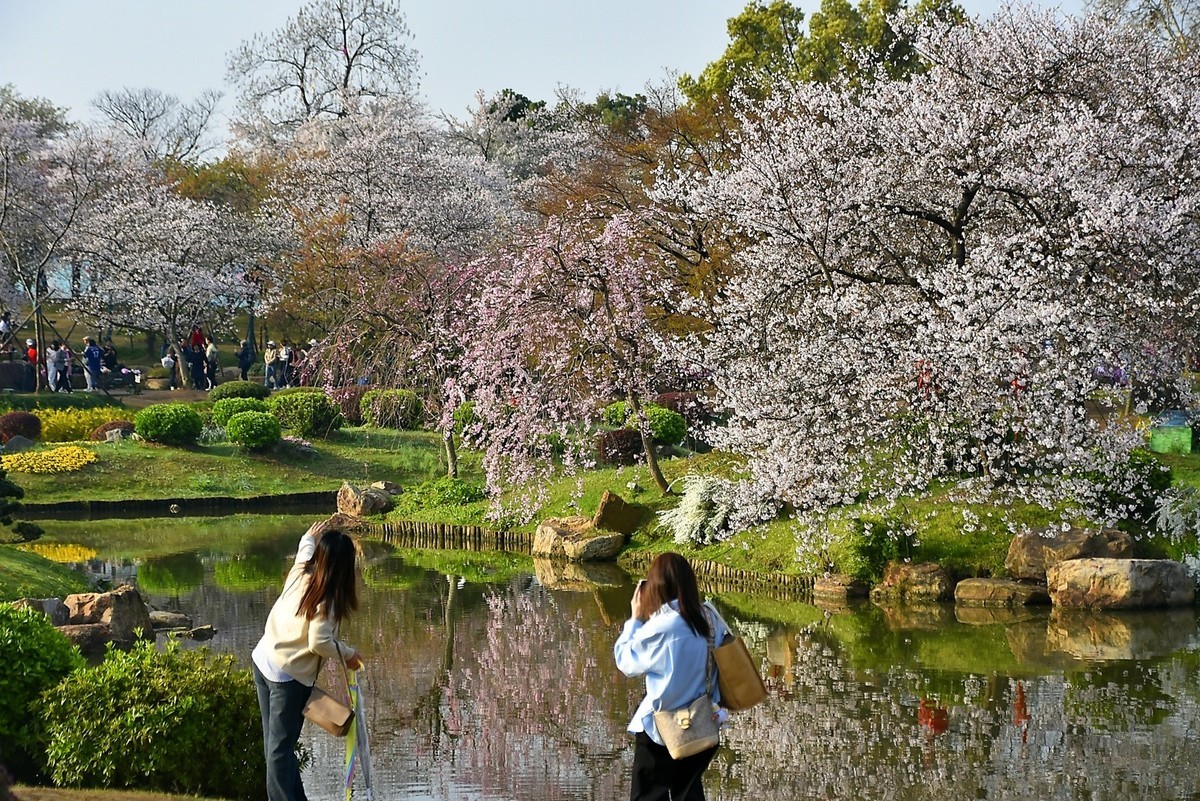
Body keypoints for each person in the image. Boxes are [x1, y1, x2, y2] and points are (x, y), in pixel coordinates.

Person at [252, 517, 363, 801]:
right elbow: (319, 642)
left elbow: (303, 551)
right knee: (280, 751)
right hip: (285, 676)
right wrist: (348, 655)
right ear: (344, 567)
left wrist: (310, 537)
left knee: (275, 747)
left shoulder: (301, 572)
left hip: (264, 658)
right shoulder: (328, 599)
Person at [615, 553, 730, 801]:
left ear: (656, 586)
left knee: (647, 797)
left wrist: (634, 620)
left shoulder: (663, 627)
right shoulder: (710, 618)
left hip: (661, 729)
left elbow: (626, 662)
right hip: (701, 725)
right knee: (689, 795)